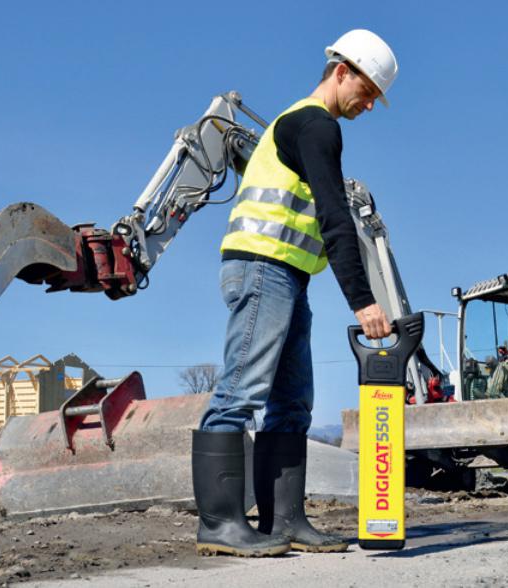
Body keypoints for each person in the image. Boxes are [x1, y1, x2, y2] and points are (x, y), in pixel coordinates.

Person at [191, 29, 398, 558]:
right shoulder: (314, 125)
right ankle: (219, 524)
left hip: (286, 276)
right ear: (341, 71)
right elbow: (335, 217)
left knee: (292, 406)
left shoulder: (302, 125)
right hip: (263, 270)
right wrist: (363, 300)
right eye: (368, 91)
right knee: (240, 394)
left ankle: (284, 523)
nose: (370, 105)